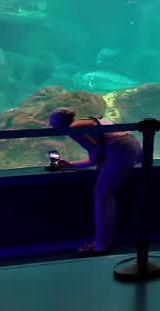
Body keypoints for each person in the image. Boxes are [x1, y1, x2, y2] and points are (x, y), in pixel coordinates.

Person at [46, 107, 142, 255]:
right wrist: (70, 165)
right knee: (105, 194)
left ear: (59, 123)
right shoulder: (88, 121)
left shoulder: (73, 129)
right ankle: (103, 242)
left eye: (53, 125)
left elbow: (98, 151)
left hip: (119, 149)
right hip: (131, 144)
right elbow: (93, 159)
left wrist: (102, 160)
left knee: (102, 196)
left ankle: (101, 245)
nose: (52, 128)